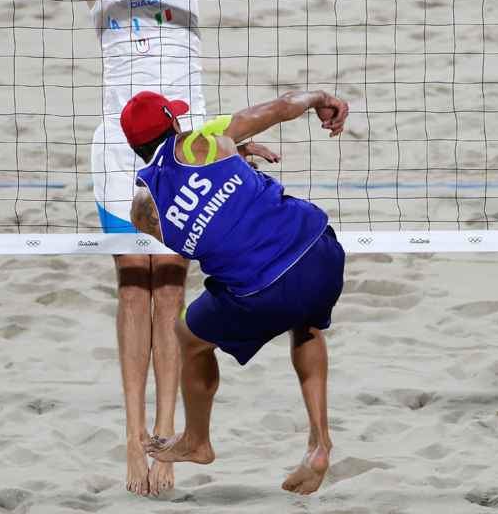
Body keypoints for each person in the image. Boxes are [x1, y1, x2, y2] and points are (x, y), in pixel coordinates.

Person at [27, 0, 273, 497]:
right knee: (131, 289)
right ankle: (136, 442)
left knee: (171, 288)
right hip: (116, 148)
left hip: (184, 148)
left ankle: (167, 439)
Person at [117, 88, 348, 495]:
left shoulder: (141, 212)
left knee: (188, 336)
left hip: (261, 291)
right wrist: (319, 99)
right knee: (306, 323)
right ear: (173, 123)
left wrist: (233, 160)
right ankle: (319, 442)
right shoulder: (205, 141)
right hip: (321, 252)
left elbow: (198, 229)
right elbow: (278, 109)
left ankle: (197, 441)